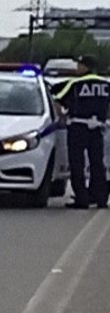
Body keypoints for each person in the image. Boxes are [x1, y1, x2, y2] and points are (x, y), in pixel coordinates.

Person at [56, 56, 110, 209]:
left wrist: (63, 116)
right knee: (97, 164)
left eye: (79, 65)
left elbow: (57, 99)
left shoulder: (75, 83)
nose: (77, 68)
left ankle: (82, 199)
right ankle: (100, 198)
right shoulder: (105, 84)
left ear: (85, 67)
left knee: (77, 163)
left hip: (78, 126)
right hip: (97, 127)